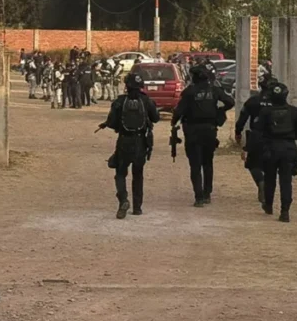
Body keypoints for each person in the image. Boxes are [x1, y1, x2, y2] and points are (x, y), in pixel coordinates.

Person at [172, 65, 235, 207]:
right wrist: (219, 110)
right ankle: (207, 194)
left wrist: (173, 123)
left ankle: (199, 197)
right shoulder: (214, 90)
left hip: (193, 131)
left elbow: (179, 112)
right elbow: (230, 102)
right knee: (207, 163)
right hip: (210, 130)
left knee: (195, 164)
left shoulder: (189, 92)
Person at [100, 73, 160, 218]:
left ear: (126, 85)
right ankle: (137, 207)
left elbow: (112, 122)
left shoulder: (120, 102)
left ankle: (123, 200)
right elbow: (156, 118)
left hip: (124, 141)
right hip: (141, 142)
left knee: (120, 173)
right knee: (138, 175)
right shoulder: (146, 101)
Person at [257, 82, 297, 222]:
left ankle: (268, 205)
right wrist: (294, 131)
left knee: (269, 178)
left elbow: (258, 130)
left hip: (271, 148)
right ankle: (285, 211)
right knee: (286, 181)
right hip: (288, 148)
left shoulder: (265, 112)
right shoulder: (295, 112)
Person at [234, 73, 276, 204]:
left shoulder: (253, 101)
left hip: (256, 136)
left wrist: (238, 132)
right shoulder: (278, 102)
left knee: (252, 163)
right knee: (271, 165)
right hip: (275, 137)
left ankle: (260, 181)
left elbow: (242, 119)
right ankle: (268, 188)